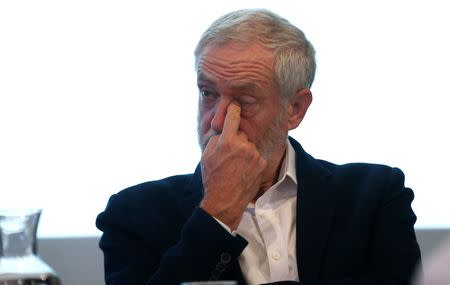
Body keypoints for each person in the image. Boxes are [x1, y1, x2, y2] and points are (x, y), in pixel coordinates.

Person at [96, 8, 421, 285]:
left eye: (244, 100)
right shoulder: (133, 214)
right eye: (208, 93)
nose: (219, 122)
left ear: (295, 108)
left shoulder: (374, 197)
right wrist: (217, 214)